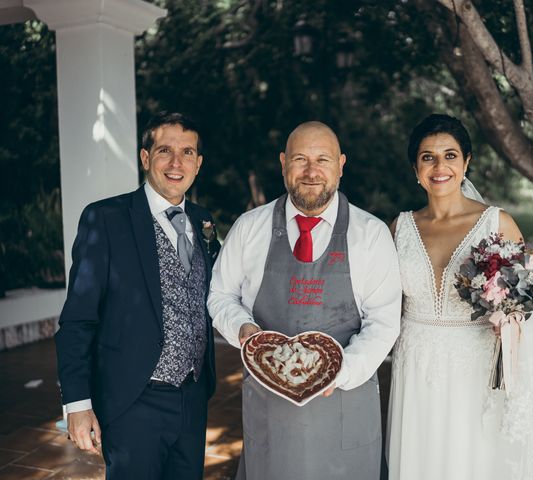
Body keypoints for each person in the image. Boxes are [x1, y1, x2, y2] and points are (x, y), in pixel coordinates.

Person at [208, 121, 402, 480]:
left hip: (346, 404)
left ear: (341, 165)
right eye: (300, 159)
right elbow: (220, 295)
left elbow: (385, 321)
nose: (312, 171)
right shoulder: (250, 228)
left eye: (323, 160)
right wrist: (243, 329)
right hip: (270, 409)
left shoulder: (371, 234)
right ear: (283, 163)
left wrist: (339, 371)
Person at [385, 114, 533, 479]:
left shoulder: (496, 224)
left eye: (450, 155)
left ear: (466, 161)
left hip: (475, 370)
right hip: (416, 366)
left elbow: (523, 309)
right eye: (428, 157)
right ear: (415, 168)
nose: (440, 166)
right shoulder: (399, 228)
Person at [55, 112, 221, 479]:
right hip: (134, 399)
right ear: (145, 158)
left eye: (188, 153)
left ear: (198, 164)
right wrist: (78, 404)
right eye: (165, 151)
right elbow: (78, 319)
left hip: (192, 398)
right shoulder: (106, 219)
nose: (177, 163)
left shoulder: (203, 219)